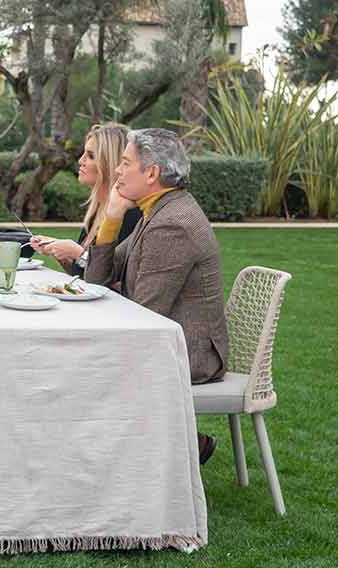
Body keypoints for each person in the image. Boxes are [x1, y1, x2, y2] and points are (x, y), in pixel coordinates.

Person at [85, 128, 229, 464]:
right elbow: (97, 280)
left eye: (124, 163)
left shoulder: (172, 223)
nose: (117, 171)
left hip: (190, 354)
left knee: (87, 365)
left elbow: (142, 317)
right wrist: (113, 217)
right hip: (169, 340)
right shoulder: (157, 210)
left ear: (151, 173)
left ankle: (108, 465)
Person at [31, 123, 142, 278]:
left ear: (110, 163)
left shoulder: (129, 215)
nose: (80, 161)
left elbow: (122, 285)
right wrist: (60, 252)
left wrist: (77, 252)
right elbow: (84, 275)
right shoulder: (95, 211)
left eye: (90, 156)